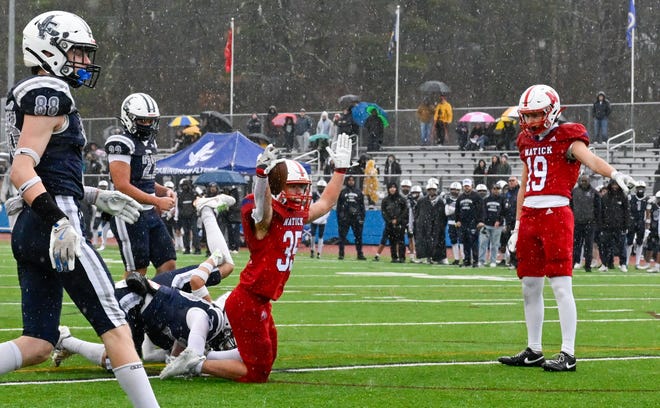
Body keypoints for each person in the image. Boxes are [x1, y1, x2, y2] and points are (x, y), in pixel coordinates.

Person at [1, 11, 159, 407]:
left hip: (29, 226)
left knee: (38, 342)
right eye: (78, 53)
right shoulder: (50, 91)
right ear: (49, 48)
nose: (84, 63)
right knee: (116, 326)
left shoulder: (36, 93)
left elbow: (45, 170)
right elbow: (23, 169)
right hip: (51, 224)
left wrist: (93, 196)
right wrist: (59, 221)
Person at [179, 135, 352, 383]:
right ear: (277, 187)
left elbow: (325, 203)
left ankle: (201, 354)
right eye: (294, 186)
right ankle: (195, 364)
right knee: (257, 373)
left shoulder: (293, 213)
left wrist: (340, 170)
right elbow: (262, 207)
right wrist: (261, 176)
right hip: (247, 301)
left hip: (259, 301)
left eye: (302, 187)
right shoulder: (266, 218)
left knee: (266, 358)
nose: (300, 193)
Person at [500, 84, 638, 372]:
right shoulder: (526, 141)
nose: (530, 121)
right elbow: (524, 184)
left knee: (561, 286)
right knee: (529, 285)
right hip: (530, 216)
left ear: (551, 112)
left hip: (556, 214)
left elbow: (592, 160)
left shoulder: (568, 137)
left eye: (537, 114)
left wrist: (614, 173)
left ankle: (568, 353)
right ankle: (534, 349)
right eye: (527, 115)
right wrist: (516, 224)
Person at [106, 93, 177, 277]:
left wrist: (165, 190)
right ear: (128, 118)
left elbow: (146, 180)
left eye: (150, 120)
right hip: (128, 212)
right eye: (142, 120)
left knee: (168, 263)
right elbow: (122, 185)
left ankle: (156, 304)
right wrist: (157, 201)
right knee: (138, 270)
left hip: (148, 212)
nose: (147, 124)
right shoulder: (121, 142)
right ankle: (126, 305)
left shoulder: (149, 142)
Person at [570, 175, 601, 272]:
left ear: (589, 181)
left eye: (585, 181)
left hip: (589, 222)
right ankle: (575, 262)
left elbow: (598, 208)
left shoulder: (594, 192)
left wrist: (595, 221)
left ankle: (587, 265)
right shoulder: (574, 192)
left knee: (589, 245)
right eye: (582, 181)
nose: (583, 183)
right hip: (577, 222)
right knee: (576, 244)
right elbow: (570, 206)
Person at [599, 179, 630, 272]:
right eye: (613, 185)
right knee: (605, 246)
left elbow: (626, 212)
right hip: (607, 226)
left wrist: (626, 225)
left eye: (616, 185)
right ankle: (604, 264)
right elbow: (601, 212)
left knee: (621, 246)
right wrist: (602, 224)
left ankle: (623, 264)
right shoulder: (605, 197)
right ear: (610, 185)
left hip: (619, 226)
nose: (615, 187)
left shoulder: (623, 197)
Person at [413, 180, 447, 264]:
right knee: (424, 241)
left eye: (433, 189)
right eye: (430, 189)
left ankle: (438, 258)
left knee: (438, 241)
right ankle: (425, 257)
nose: (432, 191)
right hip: (425, 224)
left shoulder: (440, 201)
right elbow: (417, 213)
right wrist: (418, 222)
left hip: (437, 224)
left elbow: (444, 214)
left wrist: (442, 224)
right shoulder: (422, 201)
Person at [455, 178, 484, 267]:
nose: (466, 188)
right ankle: (466, 260)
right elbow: (457, 210)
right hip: (463, 223)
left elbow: (481, 210)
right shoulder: (460, 197)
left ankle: (475, 261)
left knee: (474, 242)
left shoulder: (477, 196)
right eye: (465, 186)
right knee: (465, 242)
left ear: (471, 186)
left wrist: (480, 221)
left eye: (468, 186)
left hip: (473, 222)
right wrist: (458, 220)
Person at [337, 175, 367, 260]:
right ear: (346, 181)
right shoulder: (342, 192)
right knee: (342, 237)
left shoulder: (358, 192)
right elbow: (339, 207)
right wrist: (339, 218)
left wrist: (362, 217)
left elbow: (362, 206)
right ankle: (341, 254)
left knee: (358, 237)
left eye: (352, 180)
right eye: (349, 180)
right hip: (345, 218)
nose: (351, 182)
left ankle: (360, 254)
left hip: (356, 218)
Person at [380, 182, 409, 263]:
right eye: (390, 187)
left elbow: (405, 211)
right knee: (392, 241)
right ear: (388, 189)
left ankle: (402, 257)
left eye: (394, 187)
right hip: (389, 224)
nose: (392, 189)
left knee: (401, 241)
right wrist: (389, 220)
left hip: (400, 224)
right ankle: (394, 257)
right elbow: (383, 212)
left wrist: (398, 220)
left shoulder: (402, 199)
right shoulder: (385, 200)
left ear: (396, 188)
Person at [479, 183, 506, 267]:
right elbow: (483, 211)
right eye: (494, 188)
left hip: (497, 226)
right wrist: (482, 221)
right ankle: (481, 261)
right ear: (491, 190)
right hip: (486, 224)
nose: (496, 190)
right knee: (483, 243)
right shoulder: (486, 200)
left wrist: (499, 220)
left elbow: (503, 211)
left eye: (498, 188)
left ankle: (493, 261)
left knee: (495, 244)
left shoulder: (502, 199)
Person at [626, 182, 650, 270]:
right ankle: (626, 262)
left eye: (642, 187)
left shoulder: (647, 199)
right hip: (632, 221)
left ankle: (637, 263)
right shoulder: (631, 198)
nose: (640, 189)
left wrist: (647, 226)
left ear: (645, 189)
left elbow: (648, 213)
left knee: (640, 243)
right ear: (635, 189)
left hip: (641, 222)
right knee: (629, 242)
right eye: (639, 187)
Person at [177, 178, 201, 254]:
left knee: (194, 232)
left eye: (186, 185)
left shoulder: (193, 194)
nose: (184, 187)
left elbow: (197, 204)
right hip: (184, 217)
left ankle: (197, 249)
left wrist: (193, 212)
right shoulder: (181, 195)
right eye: (183, 185)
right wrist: (181, 214)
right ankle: (187, 248)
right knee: (186, 233)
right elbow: (179, 206)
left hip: (192, 216)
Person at [445, 182, 464, 265]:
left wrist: (452, 209)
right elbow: (446, 212)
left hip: (461, 222)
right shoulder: (447, 199)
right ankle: (456, 259)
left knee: (462, 241)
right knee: (453, 241)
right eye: (453, 189)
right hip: (451, 222)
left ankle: (464, 258)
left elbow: (462, 211)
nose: (455, 191)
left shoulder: (463, 199)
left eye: (457, 190)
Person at [310, 180, 330, 259]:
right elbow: (311, 205)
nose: (321, 189)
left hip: (323, 219)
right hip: (314, 217)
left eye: (322, 187)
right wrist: (314, 216)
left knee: (321, 236)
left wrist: (322, 218)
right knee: (313, 234)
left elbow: (328, 209)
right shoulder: (314, 195)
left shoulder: (327, 196)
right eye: (320, 187)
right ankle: (312, 249)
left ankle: (319, 252)